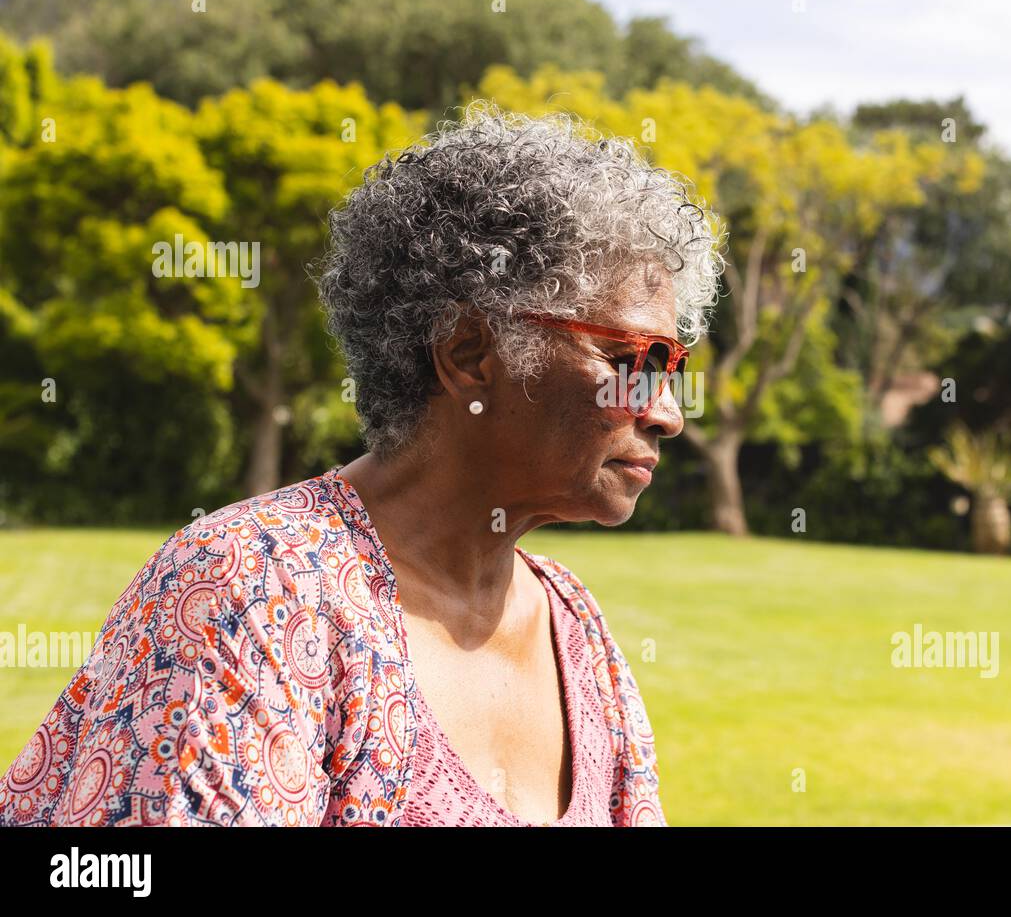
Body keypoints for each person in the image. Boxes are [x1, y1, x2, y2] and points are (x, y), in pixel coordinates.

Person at [0, 100, 725, 826]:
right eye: (633, 359)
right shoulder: (256, 588)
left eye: (673, 367)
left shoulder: (577, 629)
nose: (665, 412)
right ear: (470, 353)